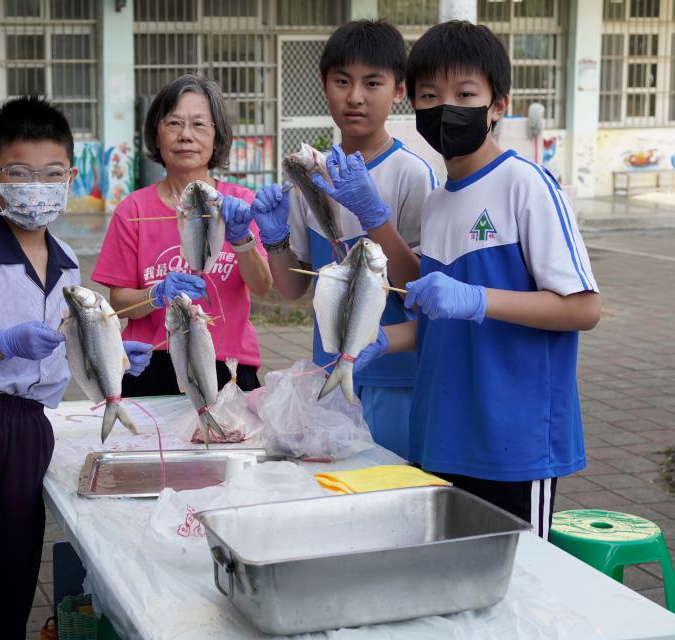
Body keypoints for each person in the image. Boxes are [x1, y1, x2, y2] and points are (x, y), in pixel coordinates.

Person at [0, 95, 151, 640]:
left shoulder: (66, 259)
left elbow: (56, 347)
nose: (36, 187)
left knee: (15, 573)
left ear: (71, 177)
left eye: (52, 174)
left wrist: (110, 358)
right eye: (20, 173)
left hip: (30, 429)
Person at [356, 21, 600, 538]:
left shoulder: (526, 184)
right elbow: (445, 319)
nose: (446, 107)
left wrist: (476, 297)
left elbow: (582, 309)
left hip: (514, 443)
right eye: (429, 95)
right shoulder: (439, 201)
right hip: (442, 434)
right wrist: (378, 341)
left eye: (465, 93)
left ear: (497, 106)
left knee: (518, 590)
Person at [251, 20, 435, 458]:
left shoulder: (413, 174)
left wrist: (375, 218)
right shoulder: (308, 177)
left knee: (393, 496)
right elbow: (294, 289)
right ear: (324, 86)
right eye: (342, 82)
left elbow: (419, 289)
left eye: (373, 83)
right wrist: (273, 238)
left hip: (397, 379)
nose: (355, 96)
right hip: (327, 374)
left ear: (399, 92)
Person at [92, 74, 273, 395]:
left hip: (227, 365)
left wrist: (242, 240)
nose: (186, 135)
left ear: (217, 136)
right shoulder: (133, 210)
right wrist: (155, 294)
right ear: (156, 134)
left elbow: (262, 286)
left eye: (199, 125)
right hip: (150, 363)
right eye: (174, 123)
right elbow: (118, 305)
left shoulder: (240, 203)